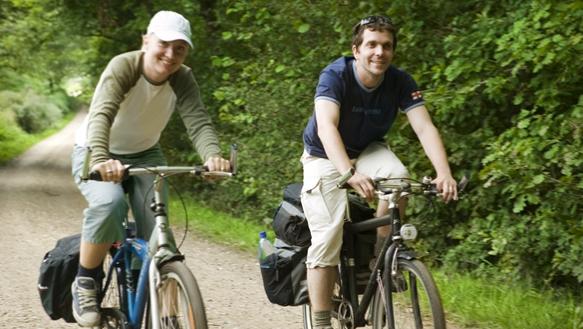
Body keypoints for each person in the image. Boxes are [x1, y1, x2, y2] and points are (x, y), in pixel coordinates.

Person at [70, 10, 230, 327]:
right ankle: (85, 281)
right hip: (96, 150)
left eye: (179, 48)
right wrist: (102, 159)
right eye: (164, 44)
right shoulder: (124, 66)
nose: (170, 55)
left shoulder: (182, 77)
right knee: (109, 203)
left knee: (156, 233)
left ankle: (165, 312)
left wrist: (213, 156)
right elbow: (101, 115)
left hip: (145, 153)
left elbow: (198, 122)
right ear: (146, 41)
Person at [300, 15, 458, 329]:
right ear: (356, 49)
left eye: (386, 46)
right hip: (324, 155)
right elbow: (327, 128)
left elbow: (425, 127)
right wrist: (347, 172)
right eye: (371, 44)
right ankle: (319, 323)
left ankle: (381, 257)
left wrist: (444, 173)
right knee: (327, 237)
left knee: (399, 178)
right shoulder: (335, 75)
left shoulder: (400, 81)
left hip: (368, 150)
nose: (379, 52)